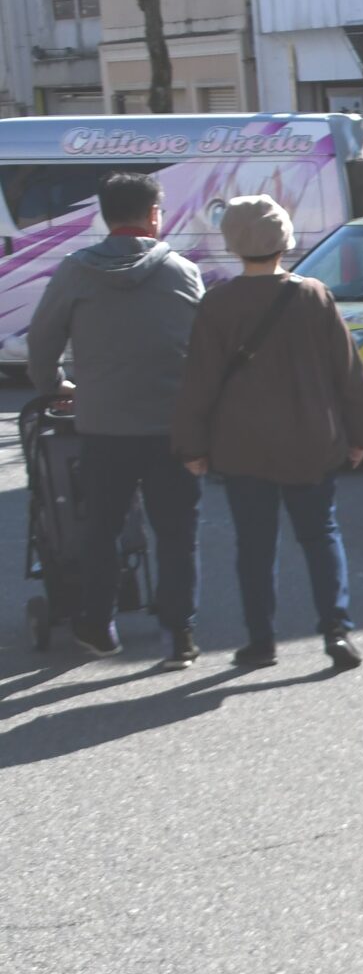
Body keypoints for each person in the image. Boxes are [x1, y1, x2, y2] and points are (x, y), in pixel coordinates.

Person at [172, 196, 363, 671]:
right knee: (321, 534)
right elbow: (348, 372)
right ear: (284, 239)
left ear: (233, 243)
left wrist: (192, 445)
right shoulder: (313, 295)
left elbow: (199, 380)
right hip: (311, 438)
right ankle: (337, 632)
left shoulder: (218, 302)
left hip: (243, 445)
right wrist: (360, 432)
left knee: (254, 544)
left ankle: (261, 641)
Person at [25, 172, 205, 666]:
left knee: (100, 527)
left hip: (103, 424)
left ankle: (98, 622)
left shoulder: (75, 271)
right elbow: (205, 350)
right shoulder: (182, 273)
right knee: (176, 531)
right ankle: (180, 633)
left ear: (104, 216)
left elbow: (42, 341)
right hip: (172, 424)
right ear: (153, 215)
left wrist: (54, 385)